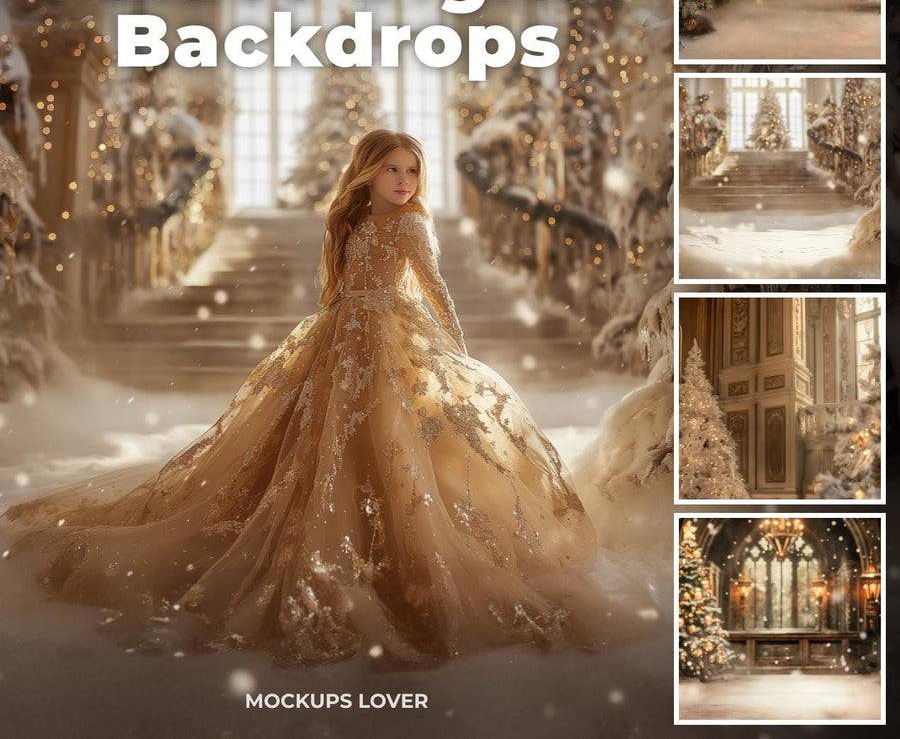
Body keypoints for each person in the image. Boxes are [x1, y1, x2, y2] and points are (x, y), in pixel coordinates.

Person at [1, 129, 617, 667]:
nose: (403, 181)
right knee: (310, 443)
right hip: (338, 340)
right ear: (366, 171)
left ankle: (396, 551)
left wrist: (455, 354)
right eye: (391, 169)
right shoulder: (348, 221)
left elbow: (436, 290)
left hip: (392, 343)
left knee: (389, 443)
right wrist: (330, 330)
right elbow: (337, 286)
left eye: (412, 171)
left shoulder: (413, 226)